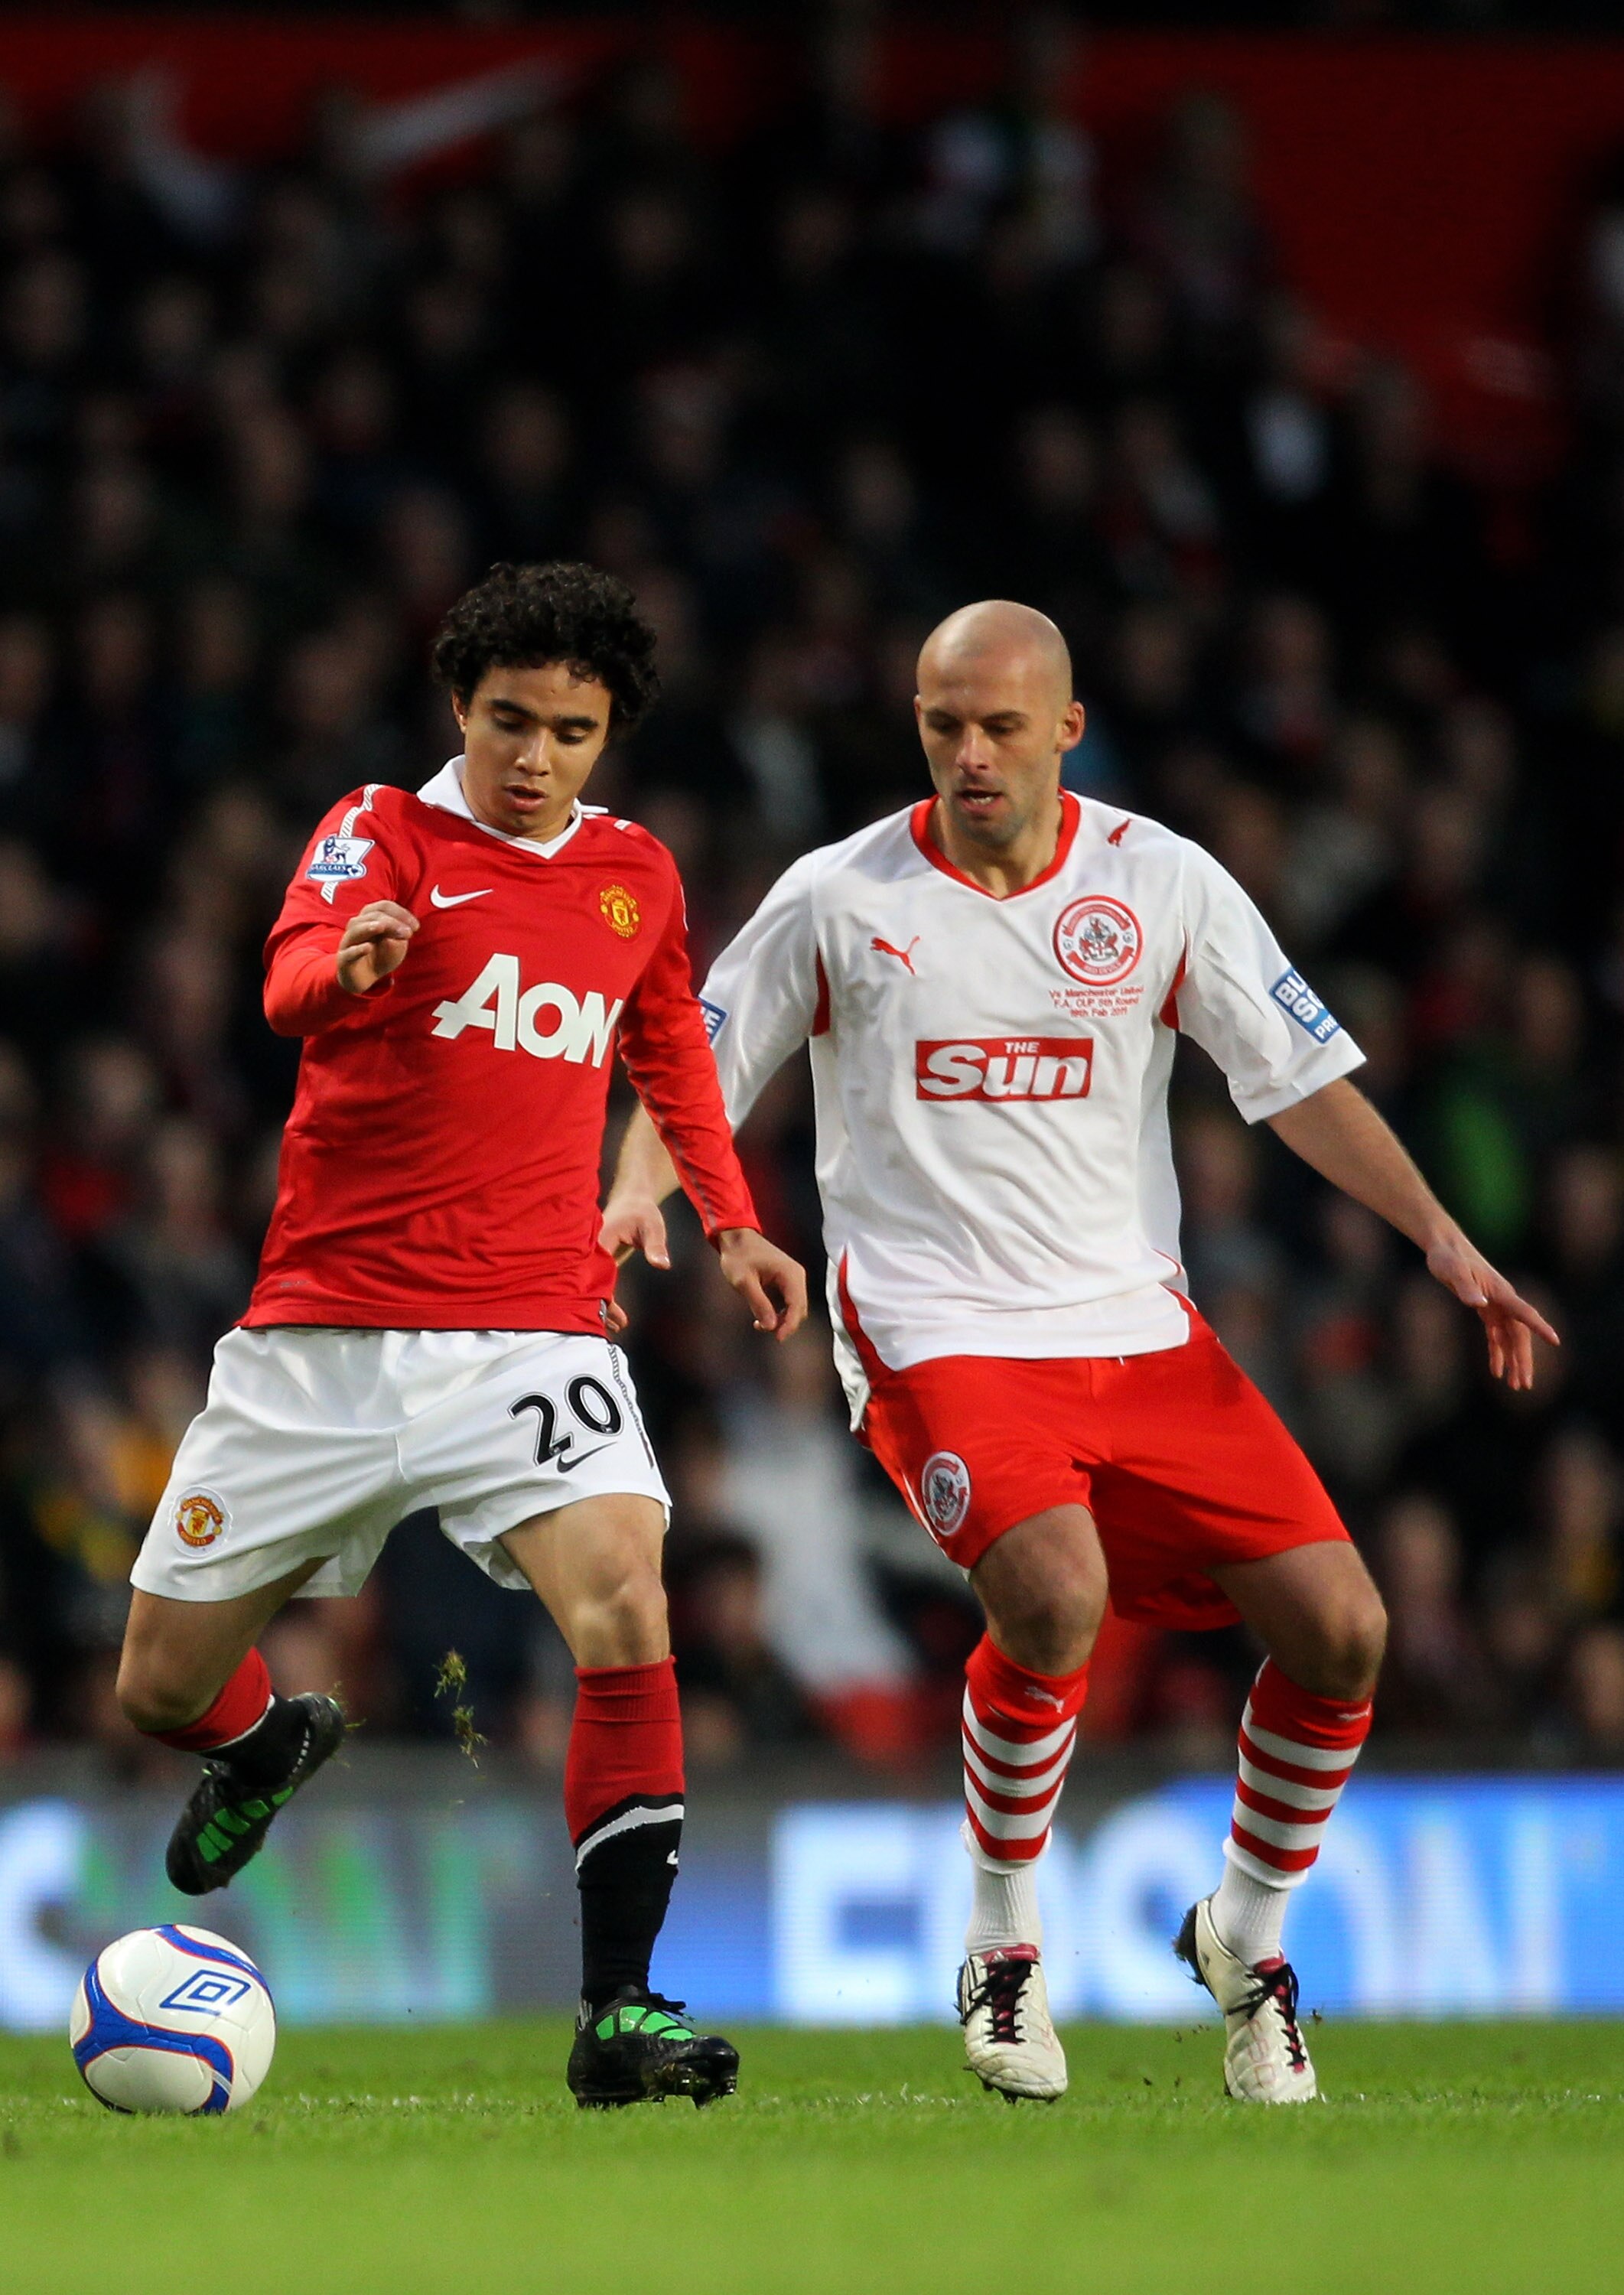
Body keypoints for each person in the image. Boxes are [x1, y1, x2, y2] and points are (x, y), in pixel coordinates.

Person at [603, 597, 1555, 2105]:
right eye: (939, 726)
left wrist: (1441, 1240)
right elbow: (698, 1067)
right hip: (932, 1321)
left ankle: (1245, 1942)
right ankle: (1001, 1947)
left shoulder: (1160, 882)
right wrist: (636, 1201)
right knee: (1057, 1590)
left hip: (1137, 1324)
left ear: (1067, 728)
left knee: (1346, 1632)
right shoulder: (838, 897)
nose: (968, 755)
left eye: (997, 726)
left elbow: (1298, 1083)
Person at [114, 561, 807, 2109]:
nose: (535, 758)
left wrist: (736, 1211)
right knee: (159, 1686)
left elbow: (669, 1043)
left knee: (628, 1594)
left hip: (526, 1332)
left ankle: (618, 2014)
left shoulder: (638, 876)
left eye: (570, 731)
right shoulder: (384, 831)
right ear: (460, 710)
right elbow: (289, 976)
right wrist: (344, 972)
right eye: (508, 723)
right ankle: (257, 1751)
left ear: (607, 732)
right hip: (325, 1336)